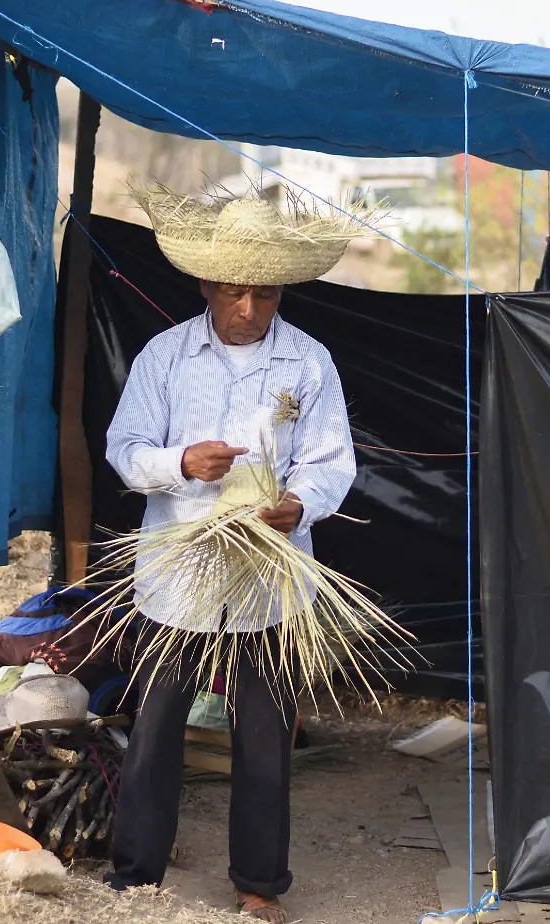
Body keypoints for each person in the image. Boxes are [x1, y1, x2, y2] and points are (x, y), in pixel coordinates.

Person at [102, 192, 361, 923]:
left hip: (270, 579)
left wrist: (299, 505)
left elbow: (331, 462)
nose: (250, 307)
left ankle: (259, 885)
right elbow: (124, 452)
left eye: (266, 292)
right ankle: (135, 875)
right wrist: (182, 463)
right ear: (208, 285)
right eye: (235, 290)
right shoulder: (166, 357)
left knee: (264, 739)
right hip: (177, 574)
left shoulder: (309, 362)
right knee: (156, 727)